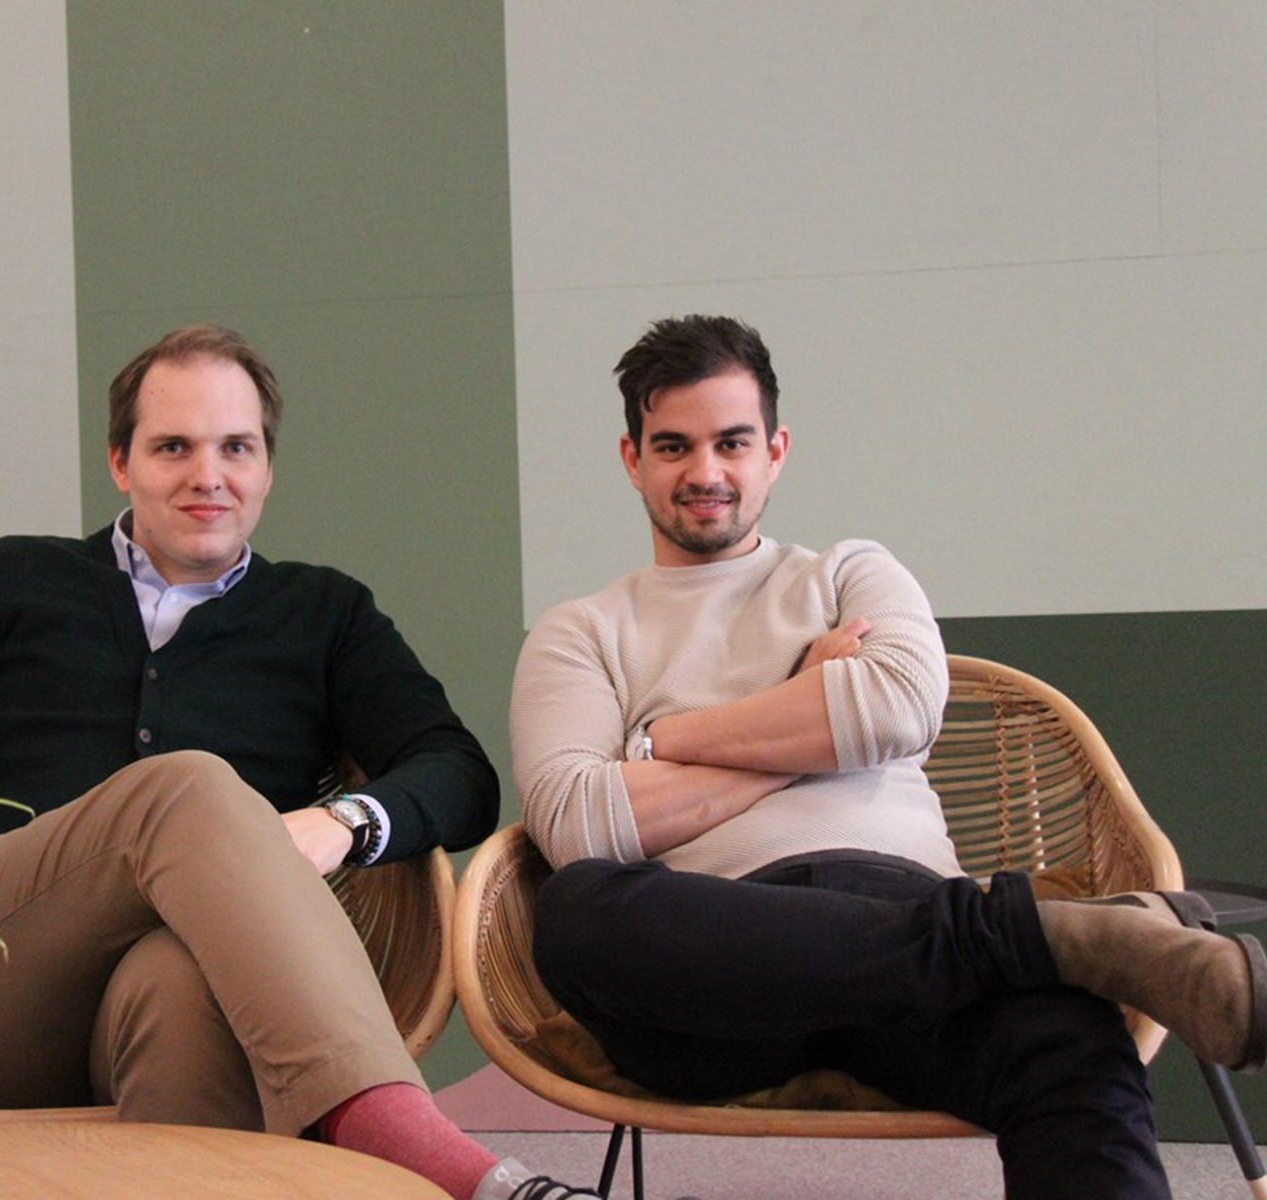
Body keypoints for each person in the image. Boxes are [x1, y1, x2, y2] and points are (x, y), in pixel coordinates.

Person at [0, 325, 598, 1200]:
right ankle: (429, 1156)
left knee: (183, 981)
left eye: (236, 448)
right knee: (188, 785)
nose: (207, 475)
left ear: (267, 469)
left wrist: (342, 825)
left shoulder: (325, 613)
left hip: (162, 1003)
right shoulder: (10, 580)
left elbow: (457, 772)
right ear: (120, 462)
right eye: (173, 446)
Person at [510, 314, 1266, 1200]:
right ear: (632, 459)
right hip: (719, 970)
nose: (705, 472)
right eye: (673, 446)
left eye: (732, 442)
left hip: (907, 927)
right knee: (577, 911)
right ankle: (1041, 936)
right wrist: (804, 706)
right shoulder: (582, 631)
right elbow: (577, 821)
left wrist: (659, 742)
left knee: (1070, 1039)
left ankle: (1014, 944)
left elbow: (899, 704)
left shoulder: (849, 572)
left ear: (776, 452)